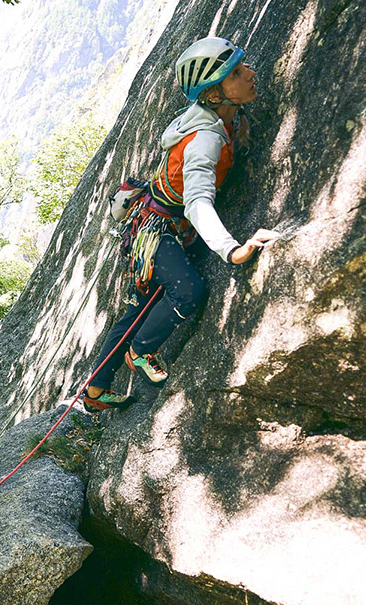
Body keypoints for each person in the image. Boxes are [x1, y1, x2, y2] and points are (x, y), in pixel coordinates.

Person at [84, 36, 280, 413]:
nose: (251, 74)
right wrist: (231, 248)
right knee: (187, 291)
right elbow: (197, 202)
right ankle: (141, 352)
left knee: (137, 308)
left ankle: (94, 391)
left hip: (154, 224)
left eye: (242, 67)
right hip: (156, 230)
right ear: (212, 96)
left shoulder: (215, 116)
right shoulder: (204, 138)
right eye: (237, 73)